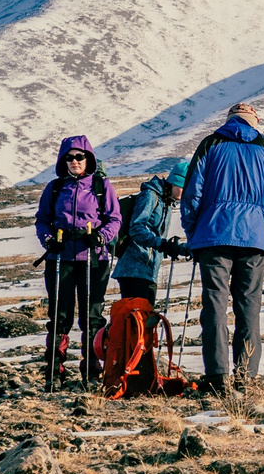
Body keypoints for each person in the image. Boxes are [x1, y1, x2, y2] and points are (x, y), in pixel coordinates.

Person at [180, 102, 264, 394]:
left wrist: (193, 233)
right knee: (249, 308)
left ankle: (217, 377)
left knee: (215, 307)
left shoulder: (210, 144)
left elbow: (192, 194)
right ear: (253, 121)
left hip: (213, 237)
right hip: (253, 238)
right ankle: (246, 376)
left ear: (228, 120)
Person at [33, 136, 121, 388]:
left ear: (88, 159)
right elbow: (42, 220)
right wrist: (48, 239)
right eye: (69, 157)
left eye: (79, 157)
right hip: (60, 258)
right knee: (59, 316)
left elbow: (115, 219)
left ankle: (91, 372)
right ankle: (54, 371)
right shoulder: (55, 188)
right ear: (63, 161)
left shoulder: (101, 186)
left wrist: (101, 236)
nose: (74, 162)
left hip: (93, 259)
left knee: (92, 316)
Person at [112, 159, 186, 308]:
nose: (186, 191)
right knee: (135, 320)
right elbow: (136, 228)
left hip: (149, 269)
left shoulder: (167, 202)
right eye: (184, 186)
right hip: (133, 268)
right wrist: (162, 245)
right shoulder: (150, 196)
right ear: (174, 182)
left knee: (145, 320)